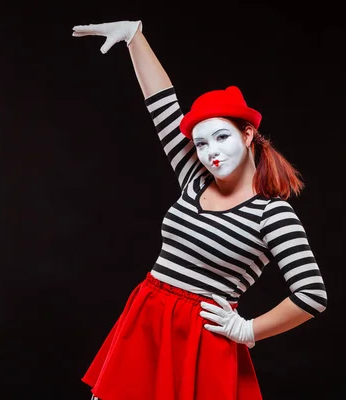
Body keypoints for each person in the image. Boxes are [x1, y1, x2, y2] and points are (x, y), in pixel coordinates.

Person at [72, 19, 328, 400]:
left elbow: (312, 294)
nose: (211, 152)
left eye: (222, 136)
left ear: (247, 134)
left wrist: (248, 330)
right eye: (201, 143)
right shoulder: (195, 176)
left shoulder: (273, 214)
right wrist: (134, 37)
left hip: (200, 338)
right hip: (147, 317)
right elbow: (162, 106)